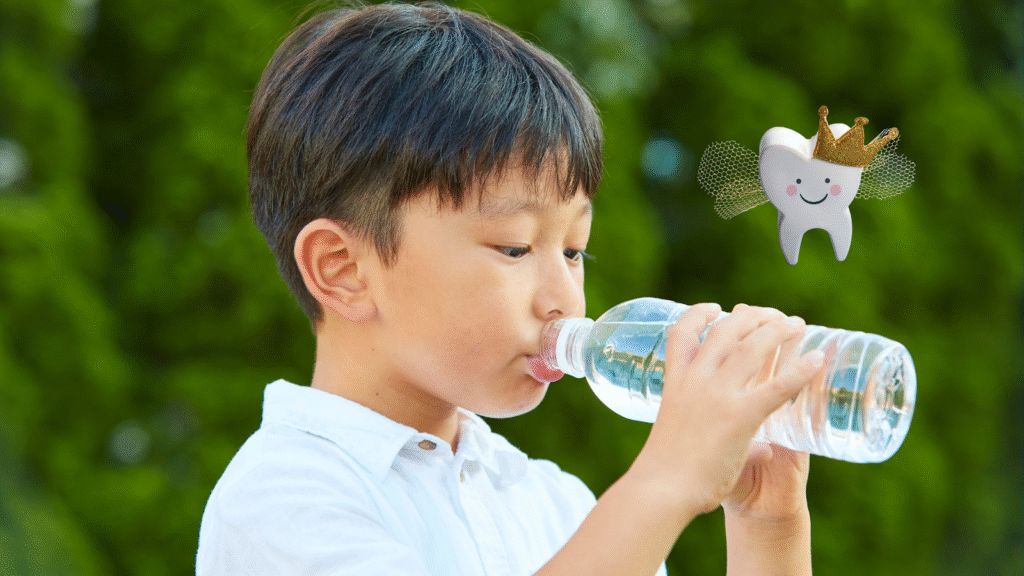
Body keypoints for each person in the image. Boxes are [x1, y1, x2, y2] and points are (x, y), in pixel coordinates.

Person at [195, 2, 825, 574]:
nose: (563, 299)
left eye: (574, 250)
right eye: (516, 247)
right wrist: (666, 481)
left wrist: (768, 526)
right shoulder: (283, 497)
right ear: (345, 270)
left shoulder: (556, 505)